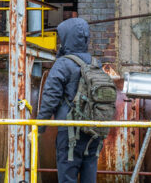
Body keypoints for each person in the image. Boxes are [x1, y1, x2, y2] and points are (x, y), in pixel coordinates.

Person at [36, 17, 102, 183]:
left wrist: (40, 126)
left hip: (70, 131)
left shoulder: (63, 64)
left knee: (67, 176)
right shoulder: (95, 63)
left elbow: (50, 97)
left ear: (67, 38)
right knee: (89, 175)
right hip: (94, 131)